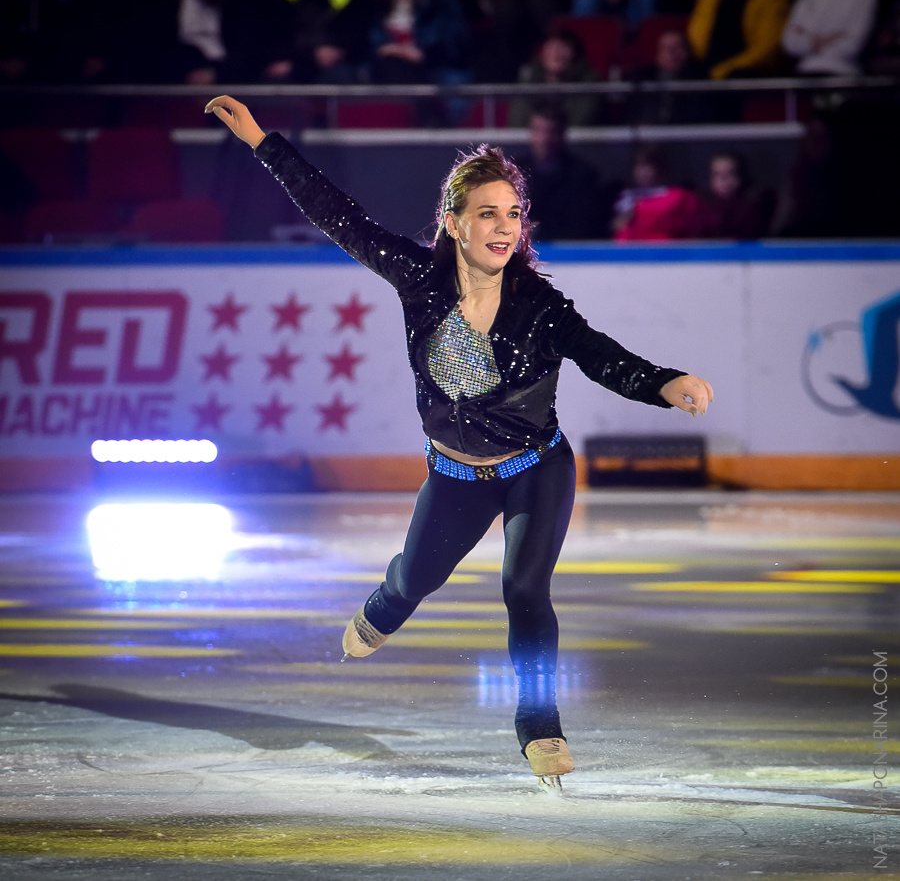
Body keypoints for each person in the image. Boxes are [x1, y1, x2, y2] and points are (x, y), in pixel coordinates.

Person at [205, 93, 713, 790]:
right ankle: (383, 609)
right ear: (455, 222)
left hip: (539, 466)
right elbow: (337, 215)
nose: (504, 226)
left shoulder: (540, 306)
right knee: (415, 581)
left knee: (525, 589)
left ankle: (540, 728)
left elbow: (601, 356)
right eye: (487, 213)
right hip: (456, 475)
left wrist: (664, 382)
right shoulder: (419, 280)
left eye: (513, 213)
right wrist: (265, 142)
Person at [515, 101, 613, 240]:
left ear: (562, 134)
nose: (544, 139)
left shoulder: (583, 176)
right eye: (538, 130)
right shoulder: (514, 173)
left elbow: (583, 226)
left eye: (551, 131)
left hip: (570, 255)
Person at [687, 0, 791, 79]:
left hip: (750, 75)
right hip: (708, 73)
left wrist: (727, 69)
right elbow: (696, 40)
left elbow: (769, 48)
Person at [508, 28, 603, 128]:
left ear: (575, 53)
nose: (555, 52)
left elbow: (580, 123)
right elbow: (517, 124)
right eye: (551, 46)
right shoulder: (528, 82)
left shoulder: (588, 85)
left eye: (563, 47)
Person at [780, 0, 879, 77]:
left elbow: (853, 45)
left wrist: (809, 38)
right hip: (805, 71)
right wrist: (834, 37)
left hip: (844, 72)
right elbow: (790, 43)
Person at [611, 142, 700, 240]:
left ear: (660, 168)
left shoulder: (676, 196)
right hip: (634, 251)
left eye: (647, 166)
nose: (641, 172)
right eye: (638, 166)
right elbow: (618, 226)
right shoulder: (627, 196)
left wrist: (638, 208)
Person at [628, 27, 715, 124]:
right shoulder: (641, 78)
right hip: (648, 135)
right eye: (665, 48)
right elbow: (633, 115)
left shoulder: (700, 79)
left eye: (677, 47)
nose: (671, 53)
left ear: (687, 52)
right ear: (657, 54)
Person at [690, 150, 775, 239]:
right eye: (717, 175)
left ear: (741, 176)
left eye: (730, 173)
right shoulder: (702, 206)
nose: (723, 180)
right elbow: (697, 241)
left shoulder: (753, 205)